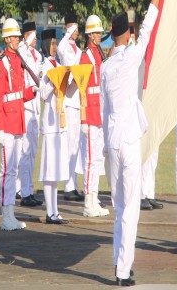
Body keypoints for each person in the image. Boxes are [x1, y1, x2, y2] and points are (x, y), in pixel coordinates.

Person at [101, 0, 169, 287]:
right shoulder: (130, 57)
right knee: (130, 209)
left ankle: (119, 261)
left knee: (119, 208)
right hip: (129, 140)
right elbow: (150, 27)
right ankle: (123, 270)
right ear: (126, 33)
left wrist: (104, 143)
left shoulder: (105, 66)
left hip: (112, 140)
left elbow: (102, 110)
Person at [0, 18, 35, 230]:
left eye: (19, 37)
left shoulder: (16, 61)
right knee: (7, 170)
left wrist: (32, 92)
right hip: (7, 124)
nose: (19, 39)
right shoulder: (2, 64)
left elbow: (17, 95)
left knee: (14, 169)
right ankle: (5, 216)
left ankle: (11, 214)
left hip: (18, 121)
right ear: (7, 39)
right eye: (16, 37)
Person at [38, 28, 70, 224]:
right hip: (50, 122)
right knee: (49, 168)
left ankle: (55, 210)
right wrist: (51, 82)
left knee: (56, 167)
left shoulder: (57, 64)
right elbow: (41, 94)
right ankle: (49, 211)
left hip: (60, 120)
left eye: (55, 43)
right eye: (51, 43)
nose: (54, 46)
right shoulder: (43, 66)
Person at [80, 15, 110, 218]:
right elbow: (82, 89)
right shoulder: (85, 57)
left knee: (97, 158)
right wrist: (83, 118)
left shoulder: (99, 55)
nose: (100, 36)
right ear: (90, 35)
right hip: (90, 114)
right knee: (90, 159)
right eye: (97, 33)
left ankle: (94, 197)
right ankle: (87, 201)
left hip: (99, 113)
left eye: (100, 32)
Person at [57, 12, 84, 202]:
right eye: (73, 27)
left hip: (77, 99)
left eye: (77, 28)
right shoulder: (64, 46)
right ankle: (67, 185)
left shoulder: (78, 50)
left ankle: (73, 184)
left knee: (75, 144)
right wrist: (68, 33)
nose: (76, 31)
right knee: (68, 144)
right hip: (67, 98)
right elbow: (60, 48)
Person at [18, 21, 43, 208]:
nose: (36, 40)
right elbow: (20, 48)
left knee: (33, 151)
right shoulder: (23, 52)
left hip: (36, 107)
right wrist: (26, 40)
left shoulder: (37, 55)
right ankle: (24, 191)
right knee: (25, 152)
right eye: (33, 36)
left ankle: (29, 189)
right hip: (26, 107)